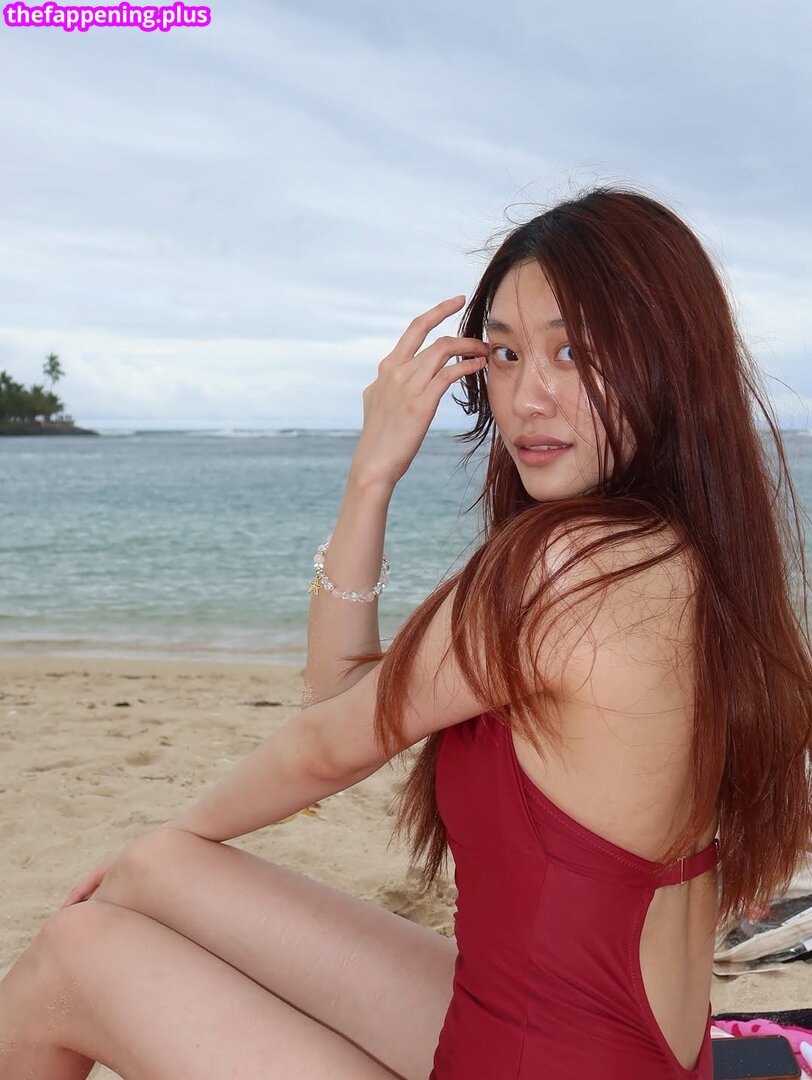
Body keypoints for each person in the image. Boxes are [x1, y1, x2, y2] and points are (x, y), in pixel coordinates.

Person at [1, 186, 811, 1080]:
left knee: (74, 956)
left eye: (573, 350)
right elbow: (347, 698)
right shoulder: (686, 555)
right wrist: (373, 476)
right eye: (504, 353)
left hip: (538, 1061)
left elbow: (326, 737)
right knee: (156, 871)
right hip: (614, 1044)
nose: (528, 397)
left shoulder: (567, 569)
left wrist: (177, 833)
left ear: (667, 359)